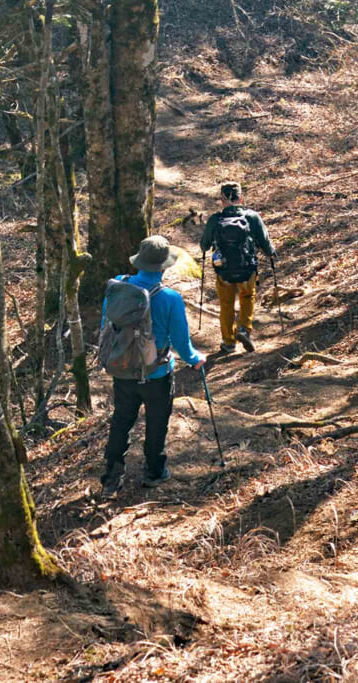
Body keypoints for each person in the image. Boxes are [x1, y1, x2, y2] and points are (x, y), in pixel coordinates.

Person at [99, 236, 206, 497]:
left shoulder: (117, 288)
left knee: (121, 420)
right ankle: (154, 472)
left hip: (122, 368)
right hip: (157, 373)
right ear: (163, 267)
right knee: (157, 422)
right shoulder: (170, 298)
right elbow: (181, 342)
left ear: (139, 260)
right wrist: (195, 359)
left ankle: (112, 478)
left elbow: (106, 324)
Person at [200, 181, 276, 354]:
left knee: (226, 304)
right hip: (247, 269)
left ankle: (228, 342)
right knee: (247, 297)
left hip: (224, 271)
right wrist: (271, 253)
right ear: (241, 198)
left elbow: (204, 246)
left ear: (222, 199)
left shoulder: (215, 219)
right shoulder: (252, 217)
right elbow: (264, 242)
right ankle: (244, 329)